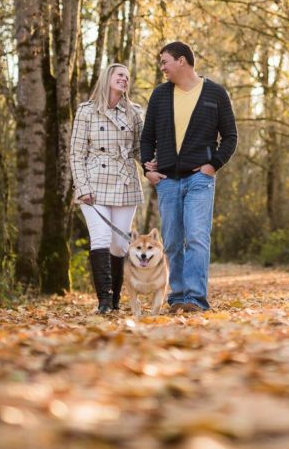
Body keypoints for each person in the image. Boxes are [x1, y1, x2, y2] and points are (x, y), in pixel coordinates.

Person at [140, 41, 237, 313]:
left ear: (181, 61)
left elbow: (230, 137)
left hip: (200, 179)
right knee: (171, 240)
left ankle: (195, 299)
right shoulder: (160, 96)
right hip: (168, 180)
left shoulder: (216, 93)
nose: (162, 68)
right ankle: (178, 296)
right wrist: (148, 169)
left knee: (196, 236)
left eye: (164, 62)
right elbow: (147, 137)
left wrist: (213, 165)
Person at [70, 63, 144, 314]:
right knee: (100, 237)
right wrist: (81, 186)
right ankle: (103, 300)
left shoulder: (134, 112)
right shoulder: (87, 111)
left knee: (120, 246)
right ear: (108, 78)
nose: (124, 79)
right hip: (93, 183)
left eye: (127, 76)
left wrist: (154, 164)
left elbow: (140, 150)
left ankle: (114, 301)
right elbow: (76, 153)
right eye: (119, 74)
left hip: (125, 183)